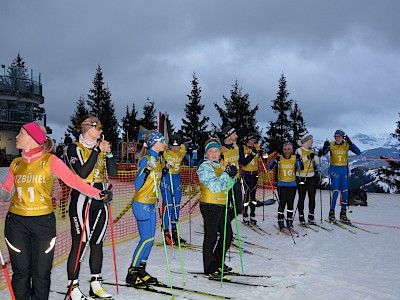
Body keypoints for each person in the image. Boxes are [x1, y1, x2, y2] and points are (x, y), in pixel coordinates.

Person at [0, 122, 112, 300]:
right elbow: (6, 195)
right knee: (21, 273)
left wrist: (99, 194)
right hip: (16, 224)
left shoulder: (50, 161)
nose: (16, 137)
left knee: (41, 273)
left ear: (32, 137)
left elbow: (74, 182)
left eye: (20, 133)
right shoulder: (16, 163)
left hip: (43, 224)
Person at [66, 115, 118, 299]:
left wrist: (109, 153)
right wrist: (97, 150)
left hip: (100, 199)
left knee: (97, 243)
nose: (101, 131)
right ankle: (73, 287)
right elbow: (82, 171)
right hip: (81, 198)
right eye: (99, 128)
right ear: (88, 128)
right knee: (79, 243)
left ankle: (95, 283)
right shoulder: (74, 147)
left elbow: (113, 172)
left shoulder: (101, 146)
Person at [126, 130, 166, 287]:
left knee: (150, 240)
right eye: (161, 140)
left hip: (151, 204)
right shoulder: (145, 159)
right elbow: (137, 185)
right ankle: (132, 273)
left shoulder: (158, 159)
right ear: (154, 143)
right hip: (141, 203)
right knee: (146, 239)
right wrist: (147, 169)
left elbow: (154, 182)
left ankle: (141, 270)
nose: (164, 143)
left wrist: (165, 170)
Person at [197, 138, 237, 280]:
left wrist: (233, 176)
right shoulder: (205, 166)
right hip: (210, 204)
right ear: (206, 154)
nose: (214, 154)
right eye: (211, 151)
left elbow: (227, 185)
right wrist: (227, 175)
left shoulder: (219, 166)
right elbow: (214, 186)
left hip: (221, 204)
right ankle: (209, 267)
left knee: (227, 234)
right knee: (211, 236)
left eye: (216, 151)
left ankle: (218, 262)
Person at [318, 129, 361, 223]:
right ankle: (332, 212)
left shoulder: (346, 144)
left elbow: (358, 152)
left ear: (342, 137)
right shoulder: (331, 144)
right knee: (335, 192)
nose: (337, 138)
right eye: (335, 136)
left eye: (338, 136)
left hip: (344, 171)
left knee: (345, 192)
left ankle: (343, 213)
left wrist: (351, 143)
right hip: (335, 171)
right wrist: (325, 147)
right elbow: (322, 154)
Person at [161, 133, 191, 245]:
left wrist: (190, 150)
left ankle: (174, 230)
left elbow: (186, 146)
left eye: (177, 146)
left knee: (176, 206)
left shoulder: (182, 150)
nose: (175, 149)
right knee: (168, 205)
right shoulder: (166, 151)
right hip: (166, 179)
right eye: (172, 146)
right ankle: (166, 232)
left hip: (177, 179)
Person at [269, 143, 303, 230]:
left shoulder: (294, 158)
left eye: (288, 149)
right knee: (282, 203)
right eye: (285, 149)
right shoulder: (279, 158)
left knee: (290, 204)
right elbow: (270, 167)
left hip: (292, 184)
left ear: (291, 150)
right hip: (282, 185)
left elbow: (301, 168)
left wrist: (300, 160)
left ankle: (289, 220)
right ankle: (280, 220)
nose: (286, 151)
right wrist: (275, 161)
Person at [220, 126, 243, 220]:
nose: (236, 136)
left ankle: (225, 224)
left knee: (238, 207)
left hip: (235, 180)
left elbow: (242, 161)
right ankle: (223, 228)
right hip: (224, 182)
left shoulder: (236, 147)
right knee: (224, 207)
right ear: (228, 135)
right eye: (234, 134)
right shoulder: (220, 149)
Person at [295, 134, 318, 225]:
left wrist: (319, 155)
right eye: (311, 140)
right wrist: (308, 157)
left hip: (311, 177)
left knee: (312, 197)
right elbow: (298, 162)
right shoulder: (299, 150)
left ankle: (311, 216)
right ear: (306, 141)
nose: (312, 142)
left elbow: (318, 161)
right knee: (302, 197)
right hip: (301, 177)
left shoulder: (311, 151)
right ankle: (301, 217)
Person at [241, 132, 263, 224]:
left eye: (254, 140)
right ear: (247, 140)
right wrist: (253, 153)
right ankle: (245, 215)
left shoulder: (257, 147)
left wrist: (262, 153)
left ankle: (253, 215)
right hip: (246, 174)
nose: (253, 141)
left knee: (253, 196)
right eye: (251, 140)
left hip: (254, 174)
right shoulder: (244, 148)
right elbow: (244, 162)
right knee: (246, 196)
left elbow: (264, 159)